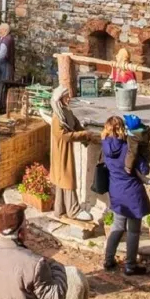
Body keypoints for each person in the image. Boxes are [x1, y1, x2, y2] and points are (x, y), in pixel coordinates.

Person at [101, 114, 150, 275]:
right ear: (122, 129)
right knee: (133, 231)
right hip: (132, 193)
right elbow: (144, 170)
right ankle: (130, 265)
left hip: (116, 191)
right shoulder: (128, 149)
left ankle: (108, 259)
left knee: (117, 226)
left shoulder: (105, 146)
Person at [46, 85, 96, 218]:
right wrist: (84, 134)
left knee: (63, 179)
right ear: (60, 99)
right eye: (66, 97)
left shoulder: (67, 113)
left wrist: (86, 136)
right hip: (61, 152)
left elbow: (76, 126)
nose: (69, 99)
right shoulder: (57, 117)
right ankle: (73, 210)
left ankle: (60, 209)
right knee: (67, 179)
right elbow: (64, 136)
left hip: (66, 151)